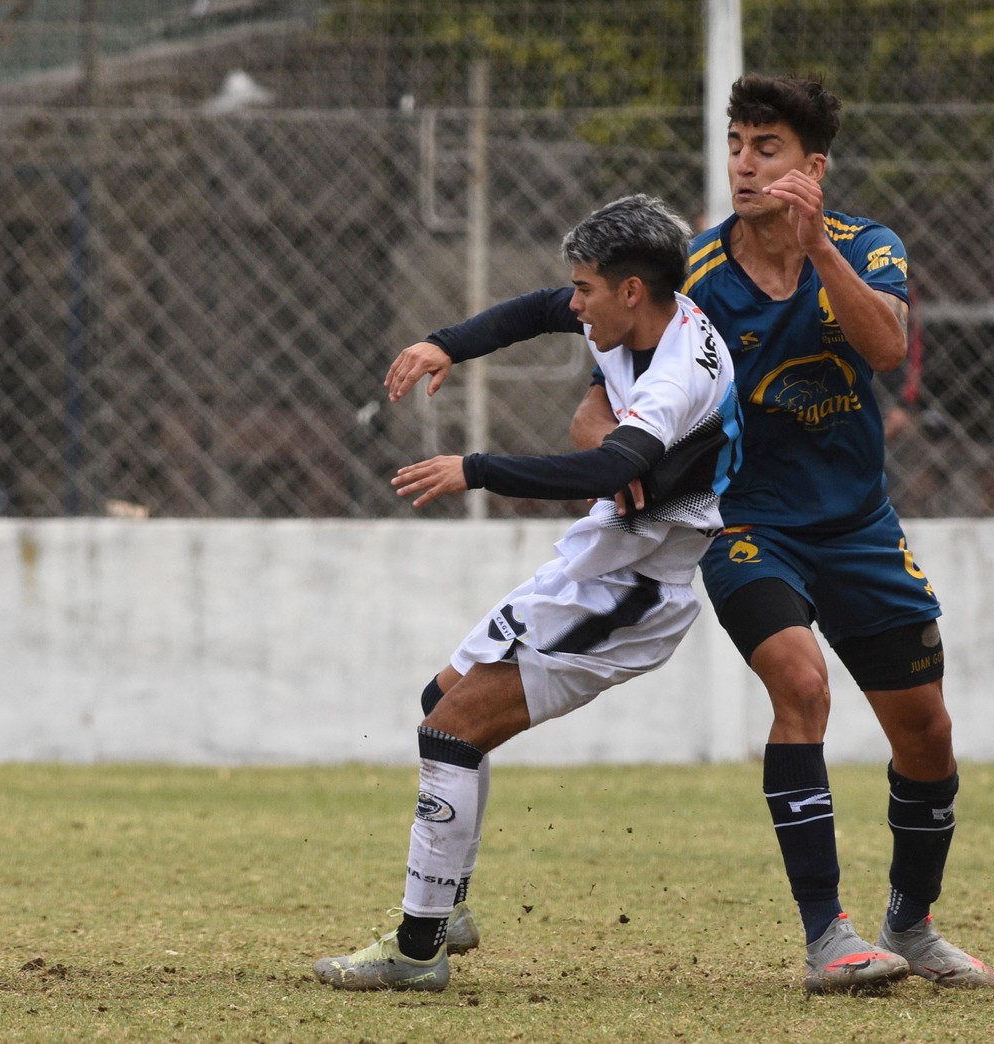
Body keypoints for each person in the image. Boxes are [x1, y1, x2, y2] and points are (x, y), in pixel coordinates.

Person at [391, 74, 994, 993]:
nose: (744, 165)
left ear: (811, 167)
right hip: (744, 527)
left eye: (767, 148)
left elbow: (884, 349)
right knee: (800, 685)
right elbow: (594, 412)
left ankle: (910, 926)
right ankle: (828, 938)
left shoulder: (866, 247)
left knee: (925, 735)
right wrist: (627, 460)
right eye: (735, 144)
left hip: (858, 526)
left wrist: (815, 248)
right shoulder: (695, 278)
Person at [313, 195, 741, 992]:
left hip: (630, 594)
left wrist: (474, 468)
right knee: (441, 702)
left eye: (585, 288)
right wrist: (443, 344)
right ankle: (447, 909)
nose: (572, 304)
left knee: (450, 732)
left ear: (631, 291)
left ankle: (416, 950)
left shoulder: (678, 372)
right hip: (594, 563)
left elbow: (610, 465)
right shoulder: (640, 318)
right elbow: (537, 311)